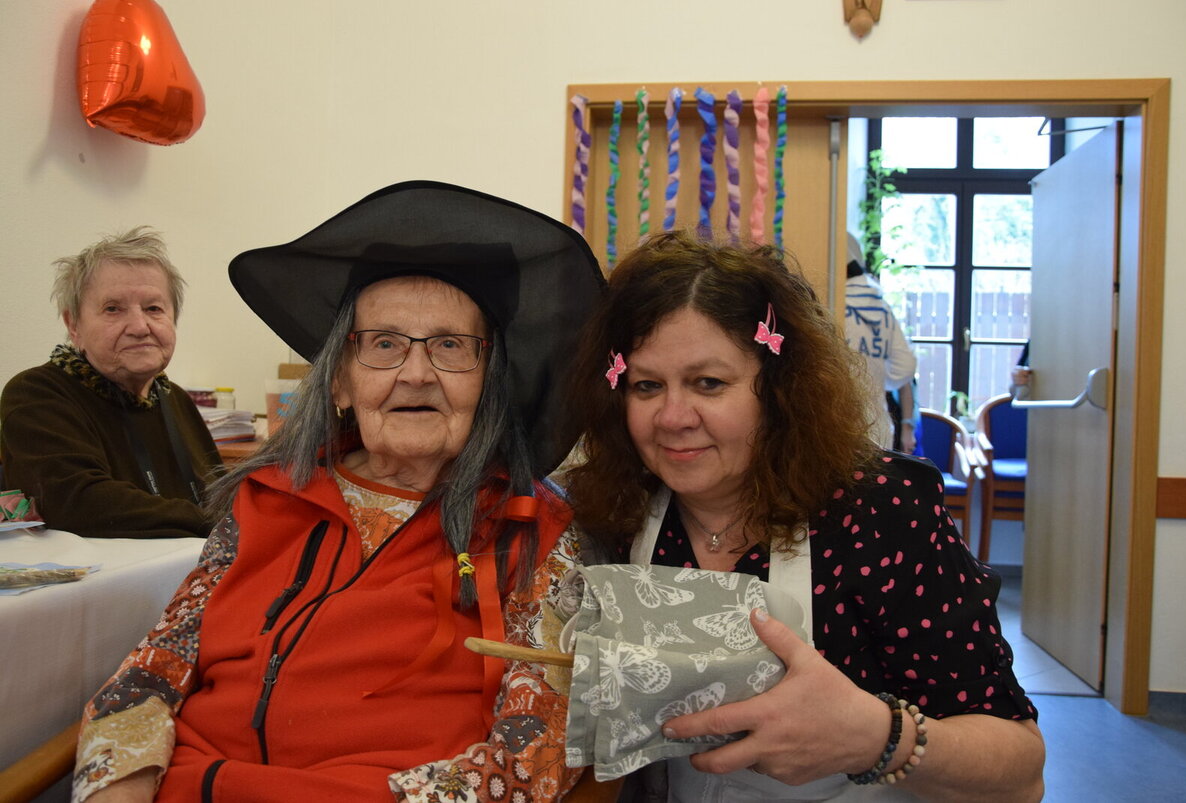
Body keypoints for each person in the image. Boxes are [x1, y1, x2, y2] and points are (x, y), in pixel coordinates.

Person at [72, 182, 606, 802]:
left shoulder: (535, 531)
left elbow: (536, 752)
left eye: (450, 346)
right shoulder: (262, 499)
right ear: (340, 382)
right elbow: (155, 667)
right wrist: (118, 784)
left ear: (488, 383)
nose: (415, 372)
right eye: (384, 344)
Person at [562, 231, 1044, 802]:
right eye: (646, 386)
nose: (672, 417)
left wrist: (878, 737)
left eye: (708, 383)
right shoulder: (612, 514)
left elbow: (1021, 775)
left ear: (779, 389)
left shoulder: (878, 513)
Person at [0, 227, 221, 538]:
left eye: (153, 308)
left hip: (193, 561)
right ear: (73, 325)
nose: (139, 326)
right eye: (113, 309)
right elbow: (75, 503)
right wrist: (222, 523)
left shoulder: (175, 399)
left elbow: (220, 495)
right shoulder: (36, 393)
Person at [845, 233, 917, 450]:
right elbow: (906, 366)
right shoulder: (881, 305)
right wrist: (880, 378)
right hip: (879, 426)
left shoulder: (831, 302)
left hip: (839, 426)